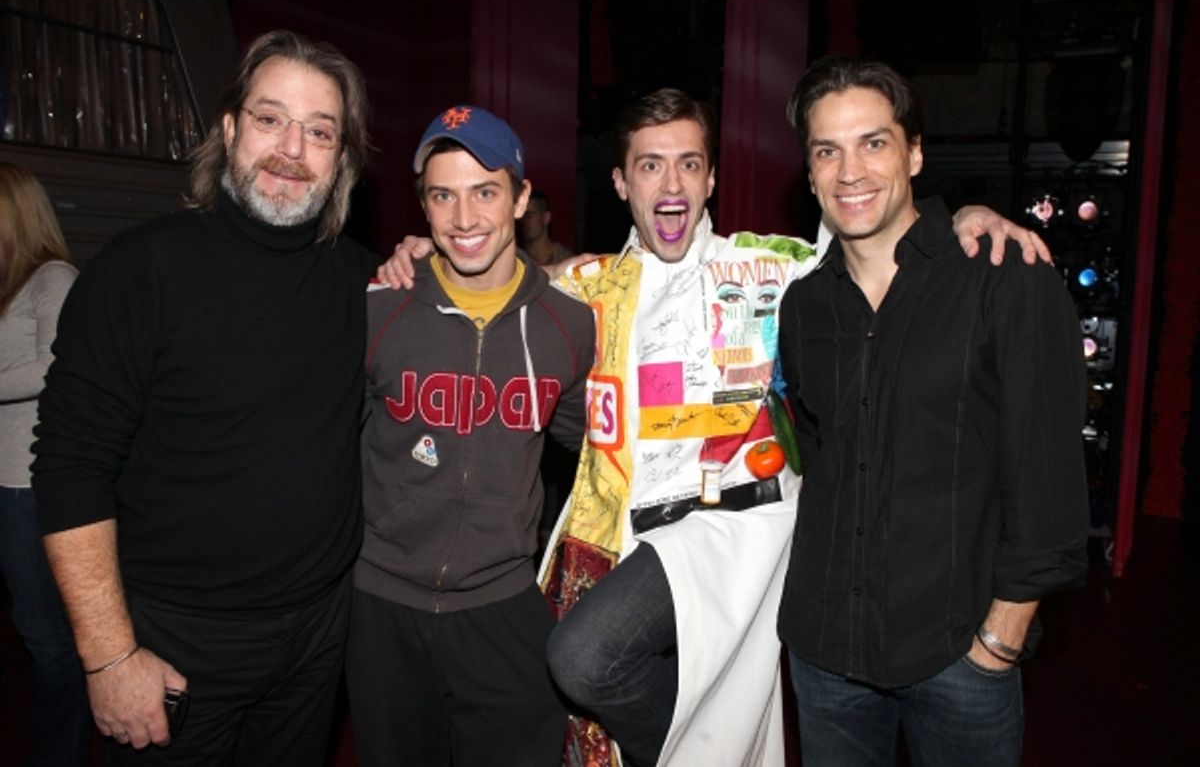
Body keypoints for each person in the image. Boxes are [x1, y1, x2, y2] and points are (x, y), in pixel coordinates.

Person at [379, 87, 1050, 767]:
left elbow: (873, 230)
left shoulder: (773, 265)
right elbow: (489, 274)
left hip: (741, 526)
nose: (670, 184)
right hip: (627, 534)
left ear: (711, 177)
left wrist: (967, 213)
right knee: (577, 684)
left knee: (584, 658)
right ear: (620, 182)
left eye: (689, 164)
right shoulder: (581, 286)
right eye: (649, 166)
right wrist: (420, 254)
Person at [31, 30, 379, 764]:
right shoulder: (139, 272)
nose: (292, 148)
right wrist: (108, 658)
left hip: (318, 638)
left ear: (341, 158)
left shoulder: (364, 283)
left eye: (320, 131)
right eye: (269, 119)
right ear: (228, 130)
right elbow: (68, 471)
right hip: (172, 645)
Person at [776, 54, 1089, 766]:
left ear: (914, 153)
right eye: (828, 150)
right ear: (810, 171)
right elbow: (822, 462)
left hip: (957, 655)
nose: (850, 171)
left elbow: (1048, 481)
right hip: (825, 653)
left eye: (874, 143)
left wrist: (999, 642)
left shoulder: (1004, 278)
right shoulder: (804, 308)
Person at [346, 105, 593, 766]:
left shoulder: (570, 325)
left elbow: (601, 453)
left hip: (502, 605)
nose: (463, 219)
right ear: (422, 209)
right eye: (442, 196)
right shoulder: (377, 307)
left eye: (484, 192)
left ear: (520, 198)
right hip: (381, 604)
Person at [0, 162, 91, 766]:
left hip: (31, 483)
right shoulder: (10, 285)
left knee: (49, 637)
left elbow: (60, 363)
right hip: (5, 480)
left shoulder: (52, 278)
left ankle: (60, 751)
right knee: (35, 631)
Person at [518, 188, 572, 266]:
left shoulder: (565, 259)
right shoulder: (515, 259)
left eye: (529, 215)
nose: (523, 220)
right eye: (521, 215)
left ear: (546, 218)